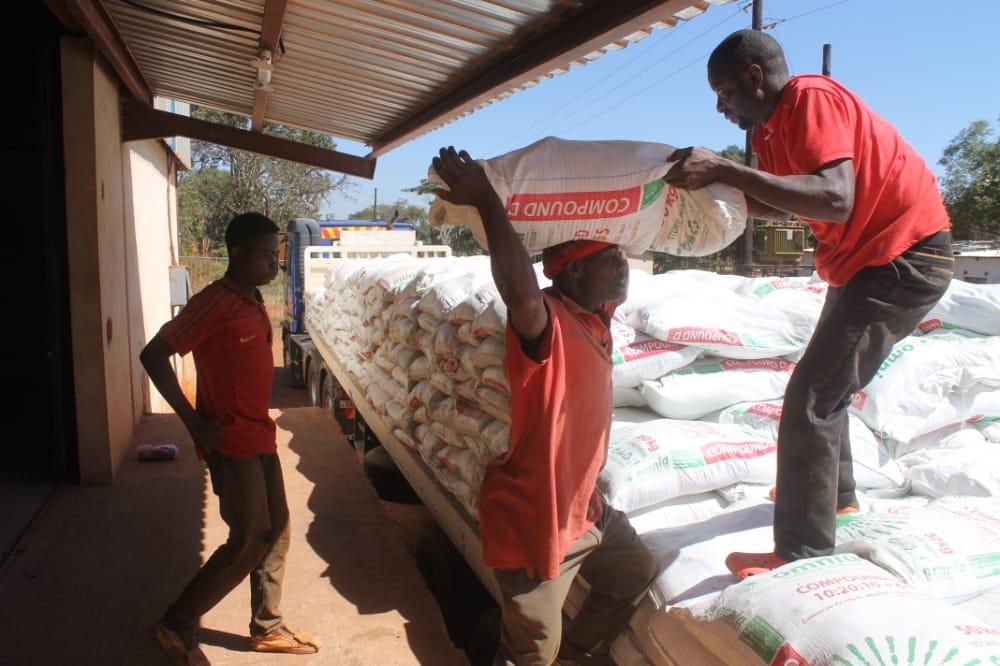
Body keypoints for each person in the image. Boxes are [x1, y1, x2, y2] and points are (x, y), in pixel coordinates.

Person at [664, 30, 953, 578]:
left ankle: (801, 549)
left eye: (724, 91)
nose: (719, 105)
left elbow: (836, 199)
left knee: (812, 395)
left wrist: (724, 170)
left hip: (902, 256)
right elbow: (784, 201)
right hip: (868, 260)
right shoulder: (771, 131)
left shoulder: (808, 98)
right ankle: (835, 498)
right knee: (825, 388)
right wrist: (710, 196)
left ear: (756, 76)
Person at [432, 147, 658, 665]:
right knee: (531, 654)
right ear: (572, 274)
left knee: (634, 572)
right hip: (535, 525)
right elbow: (522, 295)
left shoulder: (597, 323)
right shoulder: (547, 323)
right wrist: (488, 201)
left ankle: (577, 657)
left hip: (588, 513)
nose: (623, 267)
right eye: (611, 258)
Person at [140, 212, 319, 664]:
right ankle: (176, 621)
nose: (274, 263)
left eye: (276, 254)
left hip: (260, 435)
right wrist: (194, 424)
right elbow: (154, 354)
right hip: (230, 441)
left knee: (277, 530)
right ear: (236, 253)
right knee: (248, 539)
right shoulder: (213, 302)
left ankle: (267, 626)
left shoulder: (253, 298)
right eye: (264, 255)